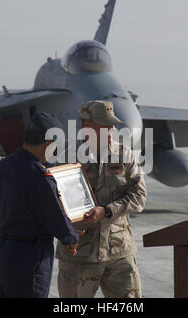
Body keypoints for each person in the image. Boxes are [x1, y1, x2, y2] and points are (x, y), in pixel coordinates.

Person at [56, 100, 147, 298]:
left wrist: (107, 211)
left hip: (118, 253)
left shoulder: (125, 155)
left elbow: (139, 197)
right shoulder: (67, 158)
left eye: (113, 124)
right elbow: (54, 203)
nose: (112, 128)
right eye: (106, 125)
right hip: (79, 255)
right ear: (88, 127)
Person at [0, 112, 79, 298]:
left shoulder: (1, 167)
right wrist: (71, 237)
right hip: (29, 258)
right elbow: (52, 213)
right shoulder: (38, 175)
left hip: (2, 253)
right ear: (47, 144)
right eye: (54, 147)